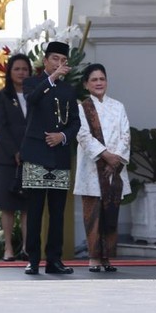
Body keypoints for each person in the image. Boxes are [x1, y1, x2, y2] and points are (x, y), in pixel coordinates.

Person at [20, 41, 81, 275]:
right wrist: (52, 77)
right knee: (35, 210)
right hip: (36, 154)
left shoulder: (69, 89)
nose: (59, 63)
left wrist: (63, 136)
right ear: (45, 61)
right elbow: (32, 100)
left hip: (59, 154)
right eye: (54, 59)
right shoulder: (32, 83)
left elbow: (75, 121)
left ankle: (54, 260)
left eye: (63, 60)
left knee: (57, 212)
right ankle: (33, 258)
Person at [74, 64, 130, 272]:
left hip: (114, 169)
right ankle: (94, 258)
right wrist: (105, 155)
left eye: (102, 79)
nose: (99, 83)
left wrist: (116, 159)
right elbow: (83, 135)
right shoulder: (82, 108)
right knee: (93, 212)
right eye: (94, 80)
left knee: (111, 213)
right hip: (92, 168)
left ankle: (107, 257)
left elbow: (126, 135)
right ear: (86, 84)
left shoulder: (118, 106)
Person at [0, 53, 31, 261]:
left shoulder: (35, 95)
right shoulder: (2, 96)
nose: (21, 73)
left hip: (31, 156)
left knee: (27, 205)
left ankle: (26, 247)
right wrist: (16, 151)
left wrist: (29, 151)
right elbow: (2, 128)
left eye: (24, 69)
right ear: (9, 72)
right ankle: (8, 248)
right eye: (17, 69)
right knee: (7, 205)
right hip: (8, 158)